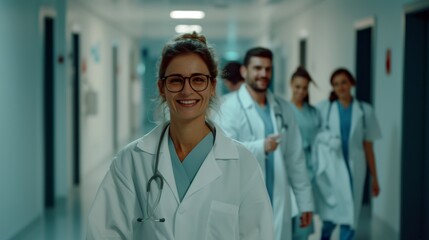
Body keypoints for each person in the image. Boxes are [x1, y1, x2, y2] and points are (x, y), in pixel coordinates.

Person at [87, 33, 274, 240]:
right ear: (162, 88)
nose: (187, 90)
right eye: (176, 81)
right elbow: (103, 233)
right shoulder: (131, 160)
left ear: (212, 87)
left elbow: (258, 233)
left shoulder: (243, 163)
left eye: (198, 80)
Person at [216, 47, 314, 240]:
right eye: (257, 68)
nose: (263, 74)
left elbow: (296, 159)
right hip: (242, 198)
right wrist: (260, 147)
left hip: (277, 197)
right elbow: (223, 152)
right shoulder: (228, 106)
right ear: (245, 71)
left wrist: (305, 203)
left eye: (268, 69)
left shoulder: (283, 108)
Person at [313, 68, 381, 240]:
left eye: (344, 82)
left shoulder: (365, 111)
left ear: (352, 83)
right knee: (330, 215)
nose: (340, 87)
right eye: (336, 84)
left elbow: (368, 147)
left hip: (354, 170)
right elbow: (315, 135)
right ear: (333, 88)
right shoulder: (324, 108)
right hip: (332, 170)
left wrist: (375, 178)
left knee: (350, 216)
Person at [289, 66, 320, 240]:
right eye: (297, 86)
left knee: (304, 216)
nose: (301, 91)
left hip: (309, 170)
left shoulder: (313, 112)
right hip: (289, 170)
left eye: (304, 87)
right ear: (291, 85)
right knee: (288, 217)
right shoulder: (283, 109)